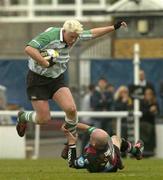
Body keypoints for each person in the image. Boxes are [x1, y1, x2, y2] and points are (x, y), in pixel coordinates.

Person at [16, 19, 127, 137]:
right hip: (37, 79)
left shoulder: (74, 34)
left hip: (56, 78)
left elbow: (93, 33)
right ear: (64, 31)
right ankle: (23, 116)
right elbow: (29, 49)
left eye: (76, 37)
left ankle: (70, 141)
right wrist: (44, 62)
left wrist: (114, 27)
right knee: (43, 119)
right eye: (71, 37)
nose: (73, 40)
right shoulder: (49, 36)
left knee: (71, 110)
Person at [61, 122, 144, 173]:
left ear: (93, 143)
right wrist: (71, 125)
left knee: (73, 144)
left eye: (91, 137)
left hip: (101, 168)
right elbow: (88, 128)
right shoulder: (105, 139)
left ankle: (119, 159)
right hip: (112, 162)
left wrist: (71, 143)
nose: (90, 137)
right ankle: (135, 151)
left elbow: (72, 164)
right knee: (115, 138)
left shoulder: (89, 157)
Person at [140, 88, 159, 157]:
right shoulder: (141, 102)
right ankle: (143, 151)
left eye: (150, 94)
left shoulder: (155, 103)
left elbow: (158, 113)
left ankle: (150, 151)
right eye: (147, 94)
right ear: (144, 95)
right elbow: (142, 114)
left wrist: (155, 111)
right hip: (142, 124)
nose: (148, 96)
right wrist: (150, 110)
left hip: (151, 124)